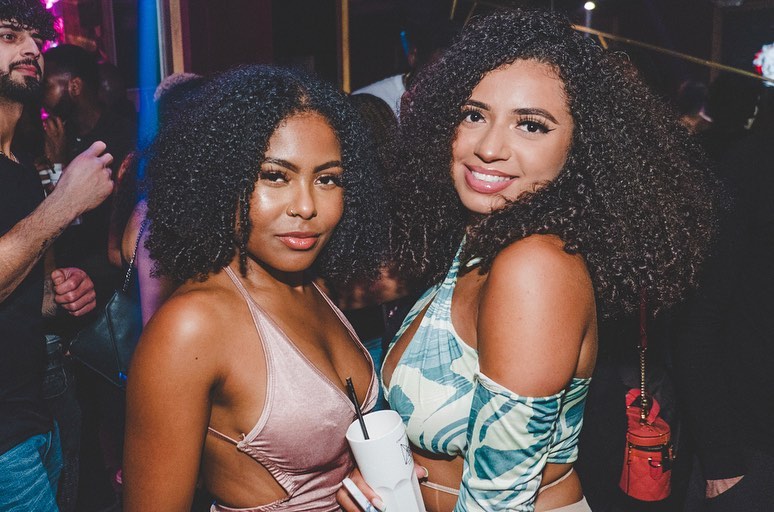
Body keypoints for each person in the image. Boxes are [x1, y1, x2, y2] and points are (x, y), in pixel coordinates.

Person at [339, 8, 717, 512]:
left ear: (581, 146)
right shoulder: (481, 239)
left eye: (531, 125)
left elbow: (498, 502)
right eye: (474, 115)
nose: (489, 147)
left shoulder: (535, 267)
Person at [123, 64, 387, 511]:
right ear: (221, 180)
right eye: (275, 176)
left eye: (327, 179)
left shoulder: (312, 283)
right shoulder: (190, 326)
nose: (306, 207)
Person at [0, 0, 114, 509]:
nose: (30, 48)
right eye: (9, 35)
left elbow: (21, 293)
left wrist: (57, 296)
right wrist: (65, 203)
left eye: (35, 38)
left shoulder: (18, 166)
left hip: (35, 411)